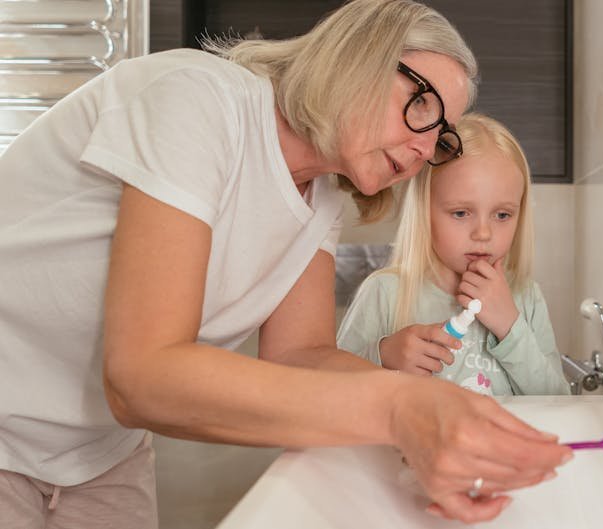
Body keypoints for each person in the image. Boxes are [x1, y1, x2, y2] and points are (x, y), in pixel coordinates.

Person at [0, 1, 571, 527]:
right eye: (421, 104)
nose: (427, 149)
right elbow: (141, 377)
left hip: (100, 454)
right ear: (356, 59)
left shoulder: (320, 200)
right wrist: (402, 408)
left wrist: (445, 412)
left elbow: (302, 356)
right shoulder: (197, 100)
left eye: (442, 135)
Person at [338, 113, 570, 396]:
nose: (483, 233)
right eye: (461, 213)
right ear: (424, 211)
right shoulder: (385, 292)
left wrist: (510, 327)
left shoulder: (525, 297)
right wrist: (383, 356)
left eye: (502, 214)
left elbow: (558, 400)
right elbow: (333, 390)